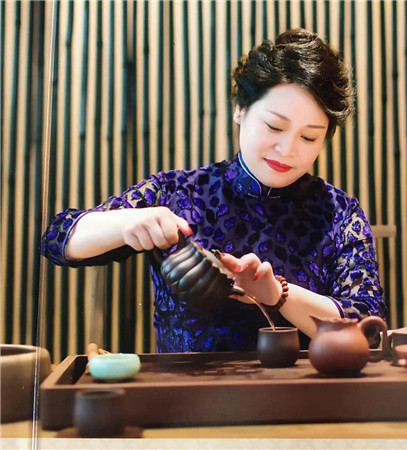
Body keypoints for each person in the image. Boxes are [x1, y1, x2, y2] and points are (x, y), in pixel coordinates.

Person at [40, 28, 387, 353]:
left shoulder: (338, 212)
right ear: (240, 110)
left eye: (309, 137)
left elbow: (368, 330)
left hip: (304, 391)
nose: (287, 149)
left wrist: (278, 295)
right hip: (188, 394)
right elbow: (57, 239)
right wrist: (127, 222)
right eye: (274, 126)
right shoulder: (180, 193)